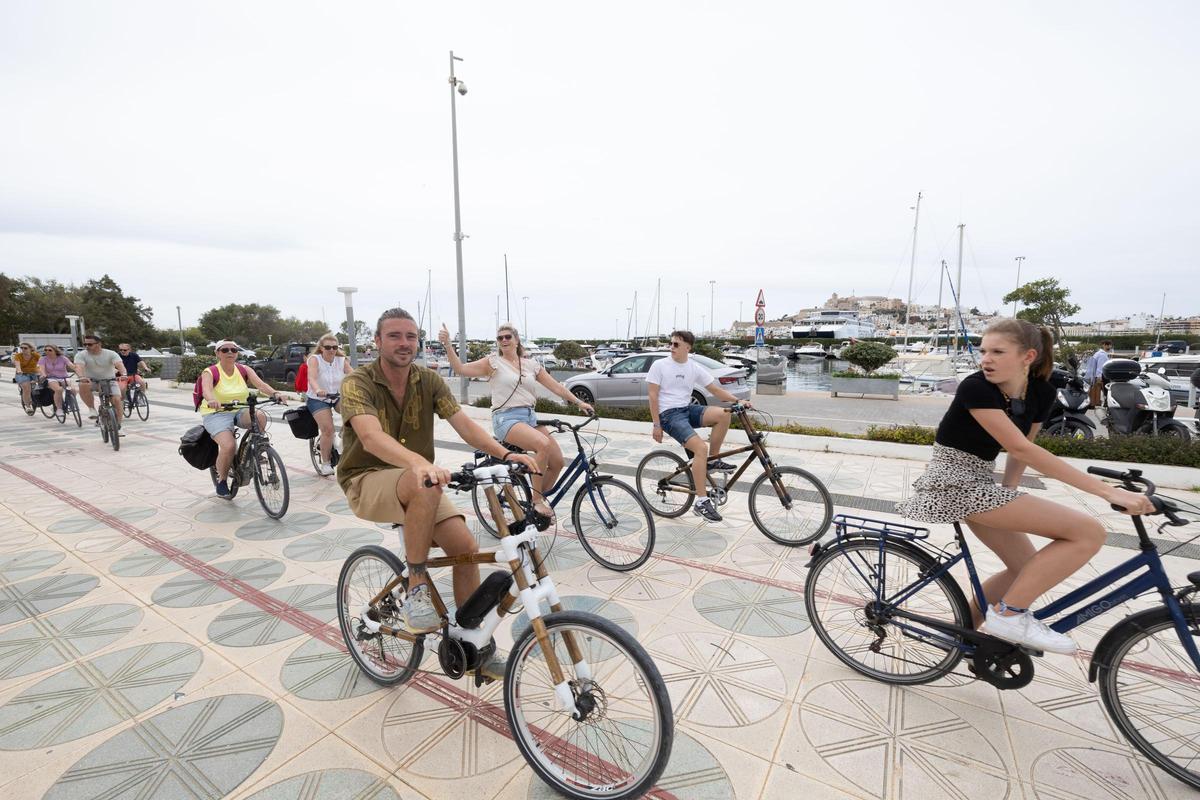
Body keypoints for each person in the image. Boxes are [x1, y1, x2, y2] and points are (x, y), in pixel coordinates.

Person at [896, 319, 1154, 654]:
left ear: (1027, 356)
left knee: (1022, 568)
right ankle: (1009, 615)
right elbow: (1021, 448)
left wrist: (1010, 490)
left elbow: (1023, 449)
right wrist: (1108, 491)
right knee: (1088, 532)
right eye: (984, 351)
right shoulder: (976, 388)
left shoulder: (1042, 392)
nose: (985, 359)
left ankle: (961, 638)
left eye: (997, 352)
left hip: (980, 484)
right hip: (953, 483)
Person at [339, 308, 538, 679]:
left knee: (464, 549)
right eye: (395, 336)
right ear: (378, 341)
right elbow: (370, 436)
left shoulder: (428, 380)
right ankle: (416, 585)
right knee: (424, 481)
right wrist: (418, 463)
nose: (404, 343)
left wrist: (507, 454)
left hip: (421, 483)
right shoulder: (358, 382)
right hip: (367, 477)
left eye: (410, 336)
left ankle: (471, 640)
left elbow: (464, 425)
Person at [438, 322, 593, 519]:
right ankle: (537, 502)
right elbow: (460, 368)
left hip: (530, 417)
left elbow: (556, 387)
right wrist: (447, 345)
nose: (503, 340)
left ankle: (533, 500)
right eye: (500, 337)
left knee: (557, 462)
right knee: (543, 445)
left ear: (516, 340)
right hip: (506, 418)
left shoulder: (531, 364)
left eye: (507, 337)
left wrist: (579, 402)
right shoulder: (492, 362)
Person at [647, 330, 747, 523]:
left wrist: (738, 401)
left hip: (686, 409)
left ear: (688, 347)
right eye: (671, 343)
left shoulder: (693, 367)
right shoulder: (660, 365)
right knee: (701, 448)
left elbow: (715, 390)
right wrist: (656, 425)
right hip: (668, 415)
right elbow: (652, 396)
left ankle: (712, 460)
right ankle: (701, 502)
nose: (671, 347)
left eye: (676, 344)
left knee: (724, 414)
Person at [199, 339, 286, 498]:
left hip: (240, 410)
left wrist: (275, 394)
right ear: (218, 353)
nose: (230, 352)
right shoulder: (210, 371)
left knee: (260, 416)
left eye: (234, 349)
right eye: (225, 350)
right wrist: (212, 399)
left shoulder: (244, 369)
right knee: (229, 446)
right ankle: (222, 480)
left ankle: (256, 448)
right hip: (216, 413)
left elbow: (261, 385)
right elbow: (206, 389)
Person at [306, 333, 352, 476]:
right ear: (321, 348)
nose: (331, 350)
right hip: (317, 398)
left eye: (334, 347)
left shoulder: (341, 360)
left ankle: (340, 439)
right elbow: (312, 378)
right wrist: (318, 389)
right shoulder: (315, 360)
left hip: (337, 396)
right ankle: (325, 463)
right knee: (328, 430)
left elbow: (352, 374)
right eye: (327, 347)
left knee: (355, 414)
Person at [73, 334, 126, 422]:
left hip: (109, 380)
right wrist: (81, 376)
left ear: (98, 344)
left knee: (117, 400)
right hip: (91, 381)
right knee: (83, 384)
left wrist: (123, 374)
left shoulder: (110, 353)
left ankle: (119, 425)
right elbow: (79, 366)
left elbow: (119, 364)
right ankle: (92, 409)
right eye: (85, 344)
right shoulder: (81, 355)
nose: (87, 346)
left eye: (90, 344)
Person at [37, 344, 73, 413]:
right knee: (59, 390)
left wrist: (77, 369)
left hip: (64, 377)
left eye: (50, 350)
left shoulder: (63, 358)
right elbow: (41, 369)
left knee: (73, 390)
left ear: (55, 351)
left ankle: (69, 403)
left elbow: (71, 365)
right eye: (45, 350)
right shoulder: (43, 359)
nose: (47, 351)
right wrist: (44, 374)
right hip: (51, 378)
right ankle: (59, 409)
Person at [1082, 339, 1112, 407]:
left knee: (1095, 390)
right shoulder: (1102, 355)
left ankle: (1093, 403)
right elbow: (1100, 367)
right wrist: (1099, 377)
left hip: (1094, 375)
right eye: (1108, 345)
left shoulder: (1098, 353)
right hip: (1101, 375)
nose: (1109, 347)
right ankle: (1104, 403)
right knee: (1105, 391)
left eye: (1110, 345)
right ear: (1103, 345)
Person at [12, 342, 40, 412]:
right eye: (21, 348)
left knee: (46, 383)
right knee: (26, 388)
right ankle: (28, 406)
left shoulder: (36, 355)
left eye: (25, 348)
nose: (23, 349)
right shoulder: (18, 356)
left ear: (31, 349)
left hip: (34, 373)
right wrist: (19, 370)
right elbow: (17, 365)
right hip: (22, 374)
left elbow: (41, 364)